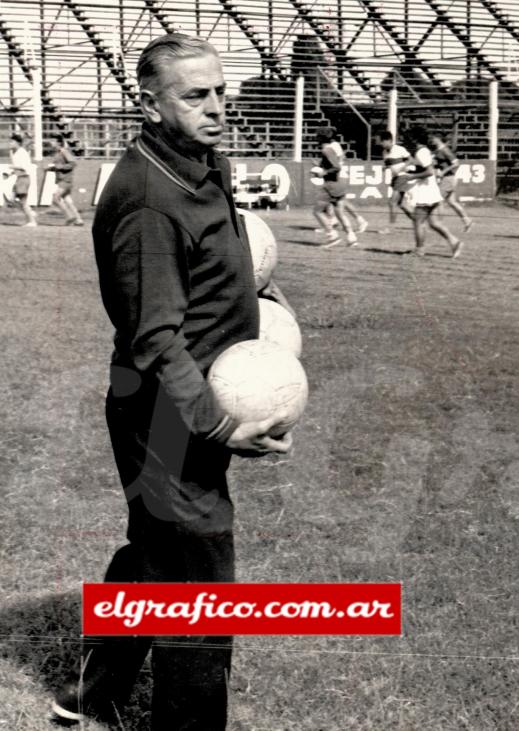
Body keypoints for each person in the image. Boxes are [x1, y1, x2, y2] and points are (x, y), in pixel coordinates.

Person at [53, 33, 292, 728]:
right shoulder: (151, 199)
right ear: (149, 102)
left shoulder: (196, 161)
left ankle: (90, 692)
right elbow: (155, 338)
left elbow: (213, 273)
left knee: (157, 547)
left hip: (183, 396)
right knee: (197, 569)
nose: (217, 107)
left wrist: (261, 302)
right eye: (196, 96)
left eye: (221, 91)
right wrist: (221, 425)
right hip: (166, 407)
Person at [404, 126, 463, 258]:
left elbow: (429, 171)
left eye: (407, 138)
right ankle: (454, 242)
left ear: (414, 139)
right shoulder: (424, 150)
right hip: (431, 191)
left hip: (425, 192)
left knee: (418, 221)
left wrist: (411, 176)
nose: (405, 141)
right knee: (434, 223)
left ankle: (419, 250)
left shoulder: (421, 152)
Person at [312, 126, 359, 248]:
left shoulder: (327, 150)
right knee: (339, 211)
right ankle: (351, 237)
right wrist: (319, 167)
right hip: (340, 181)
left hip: (333, 182)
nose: (316, 138)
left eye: (318, 136)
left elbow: (336, 167)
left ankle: (332, 236)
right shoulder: (332, 148)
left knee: (317, 211)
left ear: (322, 137)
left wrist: (323, 172)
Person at [429, 131, 474, 232]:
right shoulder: (438, 151)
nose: (431, 141)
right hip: (448, 179)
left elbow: (456, 163)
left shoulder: (445, 150)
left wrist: (443, 172)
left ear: (438, 139)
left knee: (438, 200)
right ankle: (467, 221)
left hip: (448, 178)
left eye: (433, 139)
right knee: (452, 202)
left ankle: (439, 224)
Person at [46, 133, 85, 225]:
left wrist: (60, 167)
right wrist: (51, 169)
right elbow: (58, 166)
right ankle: (79, 220)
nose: (50, 143)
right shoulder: (58, 153)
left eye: (53, 141)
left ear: (58, 143)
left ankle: (69, 217)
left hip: (66, 180)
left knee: (55, 198)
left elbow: (73, 163)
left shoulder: (64, 151)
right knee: (68, 201)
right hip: (62, 180)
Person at [379, 130, 414, 224]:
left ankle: (391, 227)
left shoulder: (399, 149)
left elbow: (411, 159)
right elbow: (388, 164)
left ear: (389, 140)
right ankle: (418, 221)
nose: (381, 143)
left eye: (383, 141)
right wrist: (385, 167)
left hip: (402, 176)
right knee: (402, 205)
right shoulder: (384, 152)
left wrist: (402, 168)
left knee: (392, 202)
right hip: (395, 178)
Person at [5, 132, 37, 226]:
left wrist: (12, 167)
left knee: (22, 202)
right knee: (13, 199)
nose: (10, 143)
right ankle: (31, 214)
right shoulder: (17, 153)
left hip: (23, 178)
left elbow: (24, 167)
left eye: (12, 142)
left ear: (17, 143)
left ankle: (32, 220)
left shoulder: (22, 153)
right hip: (20, 178)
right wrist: (10, 173)